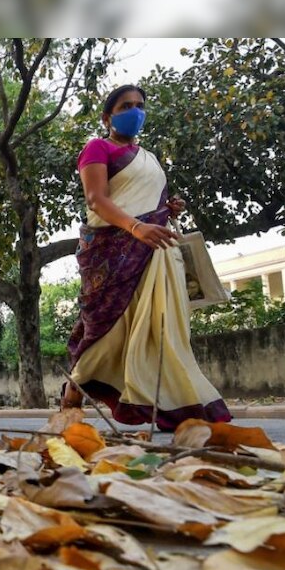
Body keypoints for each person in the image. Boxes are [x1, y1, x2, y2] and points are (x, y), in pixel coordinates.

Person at [64, 84, 231, 430]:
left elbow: (150, 204)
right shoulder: (97, 149)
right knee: (104, 329)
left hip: (154, 254)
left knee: (161, 327)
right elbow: (96, 200)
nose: (135, 111)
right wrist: (136, 227)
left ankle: (177, 403)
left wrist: (169, 210)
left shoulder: (150, 158)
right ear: (108, 116)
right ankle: (73, 395)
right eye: (126, 105)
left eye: (140, 105)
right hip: (112, 253)